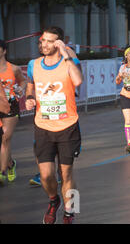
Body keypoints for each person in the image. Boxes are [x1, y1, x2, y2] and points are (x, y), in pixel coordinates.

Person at [25, 26, 83, 224]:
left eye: (50, 41)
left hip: (68, 126)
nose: (45, 44)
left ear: (59, 44)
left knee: (67, 173)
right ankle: (54, 200)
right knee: (46, 175)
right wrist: (30, 97)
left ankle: (71, 211)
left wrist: (66, 54)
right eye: (43, 40)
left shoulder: (69, 61)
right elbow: (30, 83)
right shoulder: (34, 64)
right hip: (43, 127)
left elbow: (78, 81)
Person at [0, 40, 27, 185]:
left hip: (11, 106)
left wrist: (21, 89)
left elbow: (23, 81)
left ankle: (2, 172)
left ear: (4, 51)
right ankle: (10, 164)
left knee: (5, 138)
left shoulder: (14, 68)